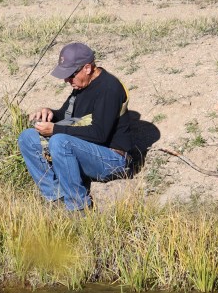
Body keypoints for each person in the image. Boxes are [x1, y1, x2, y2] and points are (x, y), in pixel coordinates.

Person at [17, 42, 136, 211]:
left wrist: (55, 130)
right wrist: (50, 113)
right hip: (87, 151)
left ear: (87, 68)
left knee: (60, 142)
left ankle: (78, 208)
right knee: (27, 138)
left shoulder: (109, 88)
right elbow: (67, 116)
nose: (66, 80)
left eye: (70, 75)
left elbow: (99, 134)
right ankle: (56, 198)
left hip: (113, 159)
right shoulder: (81, 84)